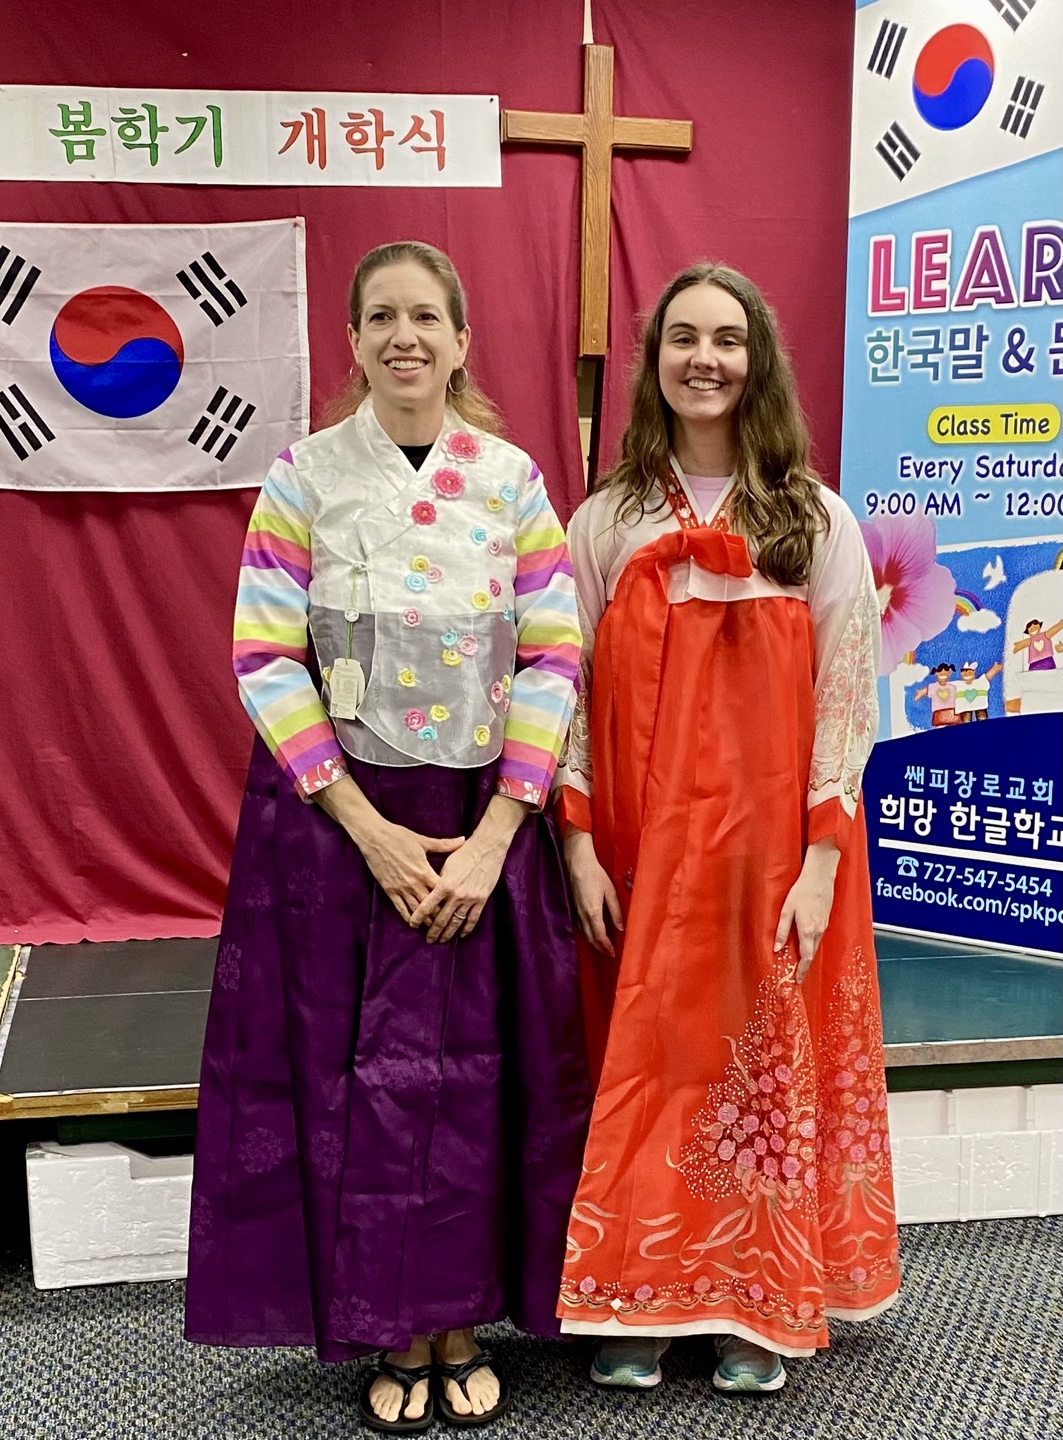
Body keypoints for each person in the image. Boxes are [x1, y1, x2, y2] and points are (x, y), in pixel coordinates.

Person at [185, 241, 591, 1433]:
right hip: (339, 826)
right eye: (381, 317)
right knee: (351, 1079)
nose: (404, 336)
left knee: (477, 1078)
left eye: (426, 317)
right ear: (355, 342)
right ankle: (391, 1325)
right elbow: (265, 655)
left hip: (482, 821)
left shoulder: (511, 483)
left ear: (462, 341)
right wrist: (364, 828)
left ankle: (462, 1322)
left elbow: (554, 653)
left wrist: (499, 832)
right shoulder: (304, 479)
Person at [553, 263, 901, 1395]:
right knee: (650, 1064)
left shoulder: (816, 520)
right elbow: (558, 688)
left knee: (759, 1070)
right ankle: (639, 1296)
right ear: (653, 360)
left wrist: (821, 862)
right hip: (641, 850)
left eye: (728, 339)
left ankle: (759, 1303)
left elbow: (847, 695)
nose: (705, 358)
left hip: (774, 854)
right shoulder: (604, 523)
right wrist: (577, 843)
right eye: (683, 338)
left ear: (760, 362)